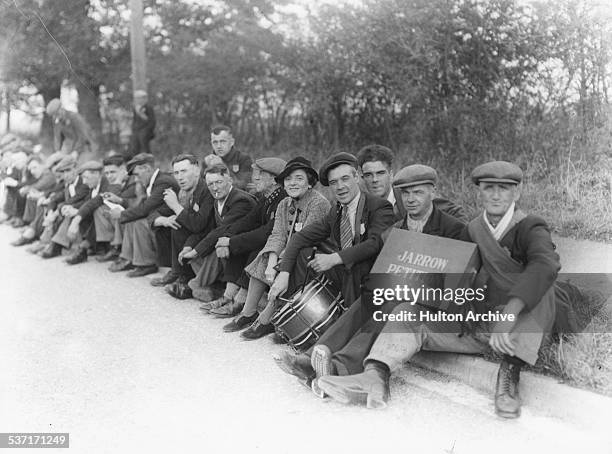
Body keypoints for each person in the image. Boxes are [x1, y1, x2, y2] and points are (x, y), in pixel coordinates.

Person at [315, 161, 568, 418]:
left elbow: (544, 265)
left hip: (520, 324)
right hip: (479, 323)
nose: (495, 195)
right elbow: (463, 275)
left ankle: (508, 377)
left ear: (517, 192)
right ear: (478, 193)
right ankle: (375, 376)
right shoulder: (474, 229)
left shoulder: (530, 227)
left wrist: (510, 313)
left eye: (504, 189)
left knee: (544, 291)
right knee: (406, 310)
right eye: (488, 188)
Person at [274, 164, 466, 395]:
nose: (411, 199)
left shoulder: (453, 228)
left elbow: (457, 283)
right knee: (370, 299)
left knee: (392, 303)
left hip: (435, 305)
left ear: (433, 191)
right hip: (402, 295)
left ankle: (339, 367)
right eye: (405, 193)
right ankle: (311, 357)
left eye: (418, 192)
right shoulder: (397, 229)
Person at [267, 152, 396, 316]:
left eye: (345, 179)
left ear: (356, 177)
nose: (340, 186)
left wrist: (334, 258)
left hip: (371, 275)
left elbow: (375, 243)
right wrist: (284, 274)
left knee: (355, 267)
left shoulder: (379, 206)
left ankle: (346, 321)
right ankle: (301, 314)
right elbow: (300, 237)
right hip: (346, 271)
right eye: (334, 182)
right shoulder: (336, 211)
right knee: (305, 254)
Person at [220, 157, 330, 338]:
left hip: (311, 257)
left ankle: (266, 320)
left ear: (310, 183)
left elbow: (304, 240)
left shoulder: (318, 203)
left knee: (286, 263)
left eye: (299, 178)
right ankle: (248, 312)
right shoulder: (284, 203)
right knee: (265, 256)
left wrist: (279, 263)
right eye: (288, 179)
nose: (292, 183)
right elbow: (277, 235)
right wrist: (271, 260)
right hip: (290, 251)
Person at [205, 157, 288, 317]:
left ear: (274, 179)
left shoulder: (282, 198)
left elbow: (266, 232)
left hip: (279, 247)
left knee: (253, 248)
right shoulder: (267, 197)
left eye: (260, 174)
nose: (254, 177)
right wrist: (227, 238)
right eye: (255, 173)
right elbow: (248, 221)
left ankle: (241, 300)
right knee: (238, 244)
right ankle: (228, 297)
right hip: (270, 242)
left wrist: (231, 241)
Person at [178, 164, 256, 300]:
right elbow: (210, 230)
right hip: (227, 247)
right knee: (194, 258)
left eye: (219, 182)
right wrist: (189, 247)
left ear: (229, 180)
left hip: (244, 251)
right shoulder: (218, 200)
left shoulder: (241, 200)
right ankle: (215, 289)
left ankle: (193, 286)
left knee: (214, 249)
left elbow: (222, 229)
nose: (214, 188)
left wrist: (196, 251)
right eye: (210, 184)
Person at [148, 154, 214, 296]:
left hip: (208, 240)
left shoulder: (207, 190)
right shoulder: (181, 191)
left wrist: (176, 207)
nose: (179, 177)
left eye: (184, 171)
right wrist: (163, 220)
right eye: (176, 173)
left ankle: (185, 276)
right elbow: (154, 213)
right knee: (169, 222)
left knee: (178, 221)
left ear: (196, 170)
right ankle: (177, 271)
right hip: (195, 238)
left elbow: (199, 225)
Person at [108, 153, 179, 277]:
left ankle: (147, 264)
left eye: (137, 175)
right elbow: (142, 206)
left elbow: (145, 209)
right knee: (132, 220)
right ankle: (129, 258)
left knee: (139, 222)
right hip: (163, 223)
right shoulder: (155, 181)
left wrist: (121, 214)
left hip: (172, 227)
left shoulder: (163, 182)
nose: (136, 179)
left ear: (146, 168)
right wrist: (121, 202)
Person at [356, 144, 467, 222]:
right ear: (362, 177)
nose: (375, 180)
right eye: (368, 175)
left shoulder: (408, 195)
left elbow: (456, 212)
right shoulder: (361, 206)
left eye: (380, 173)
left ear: (391, 175)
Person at [93, 155, 144, 262]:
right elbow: (103, 198)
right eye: (106, 173)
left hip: (135, 217)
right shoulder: (112, 183)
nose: (109, 176)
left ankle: (118, 248)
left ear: (123, 170)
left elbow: (119, 199)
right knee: (100, 210)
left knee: (116, 210)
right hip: (126, 219)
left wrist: (118, 180)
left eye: (113, 172)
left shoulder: (134, 181)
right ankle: (111, 246)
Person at [39, 155, 90, 259]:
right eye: (63, 172)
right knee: (57, 207)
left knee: (66, 210)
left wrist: (59, 211)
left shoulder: (84, 183)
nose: (65, 175)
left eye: (68, 170)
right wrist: (50, 213)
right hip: (74, 214)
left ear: (76, 169)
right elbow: (55, 198)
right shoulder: (68, 185)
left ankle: (55, 245)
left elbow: (76, 200)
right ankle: (48, 242)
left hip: (86, 215)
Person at [209, 125, 252, 191]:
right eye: (215, 142)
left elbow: (243, 187)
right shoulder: (208, 161)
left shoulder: (244, 159)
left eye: (223, 142)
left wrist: (222, 166)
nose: (219, 146)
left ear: (232, 142)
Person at [128, 90, 156, 158]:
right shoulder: (135, 108)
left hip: (146, 131)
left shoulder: (148, 108)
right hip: (137, 130)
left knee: (143, 140)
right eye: (137, 98)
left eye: (139, 98)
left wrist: (142, 114)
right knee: (134, 144)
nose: (138, 100)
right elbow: (134, 121)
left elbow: (152, 122)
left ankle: (147, 158)